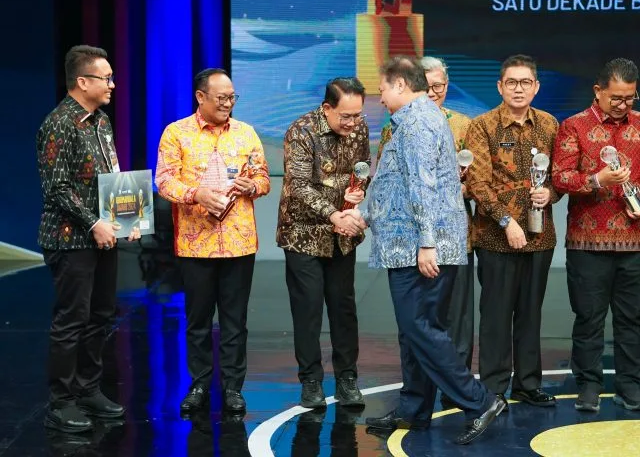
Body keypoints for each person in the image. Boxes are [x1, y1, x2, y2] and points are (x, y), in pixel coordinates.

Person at [363, 56, 504, 445]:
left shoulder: (420, 123)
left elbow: (423, 184)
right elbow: (396, 183)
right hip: (408, 245)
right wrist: (365, 215)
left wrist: (427, 242)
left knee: (420, 328)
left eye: (383, 88)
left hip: (422, 247)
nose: (380, 96)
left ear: (401, 86)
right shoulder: (410, 121)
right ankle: (414, 407)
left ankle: (481, 402)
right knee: (415, 331)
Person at [156, 68, 270, 414]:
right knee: (198, 320)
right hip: (196, 244)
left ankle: (233, 387)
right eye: (221, 98)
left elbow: (263, 178)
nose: (228, 103)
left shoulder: (246, 133)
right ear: (200, 96)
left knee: (235, 321)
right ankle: (199, 384)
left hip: (239, 242)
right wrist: (197, 194)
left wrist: (253, 186)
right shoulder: (176, 133)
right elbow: (164, 181)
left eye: (232, 97)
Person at [37, 45, 139, 433]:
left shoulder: (101, 121)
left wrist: (126, 218)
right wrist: (94, 222)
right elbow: (57, 188)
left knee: (101, 316)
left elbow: (111, 175)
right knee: (71, 321)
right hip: (70, 240)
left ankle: (88, 389)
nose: (113, 84)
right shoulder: (59, 124)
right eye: (106, 78)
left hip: (102, 236)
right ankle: (61, 402)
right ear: (82, 82)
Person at [465, 54, 559, 410]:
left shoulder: (549, 124)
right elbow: (478, 183)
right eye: (512, 82)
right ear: (500, 86)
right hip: (495, 237)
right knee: (496, 315)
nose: (518, 89)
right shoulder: (483, 126)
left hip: (540, 236)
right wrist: (507, 222)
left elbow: (561, 174)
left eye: (525, 82)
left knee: (530, 313)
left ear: (536, 87)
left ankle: (528, 383)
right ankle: (493, 388)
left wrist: (551, 192)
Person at [276, 77, 370, 409]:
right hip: (303, 234)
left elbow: (361, 170)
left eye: (357, 115)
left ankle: (347, 378)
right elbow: (299, 185)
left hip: (342, 235)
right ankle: (311, 381)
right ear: (327, 108)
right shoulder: (301, 131)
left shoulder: (359, 129)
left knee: (344, 309)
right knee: (309, 309)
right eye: (346, 116)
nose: (353, 123)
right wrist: (333, 213)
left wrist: (357, 194)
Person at [552, 58, 640, 412]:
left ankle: (630, 386)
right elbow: (560, 177)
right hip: (587, 244)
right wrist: (597, 180)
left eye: (629, 98)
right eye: (616, 97)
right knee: (589, 318)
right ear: (597, 91)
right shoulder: (573, 126)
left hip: (634, 243)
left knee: (632, 320)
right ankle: (588, 386)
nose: (622, 104)